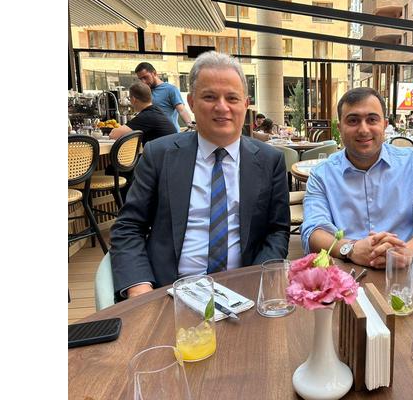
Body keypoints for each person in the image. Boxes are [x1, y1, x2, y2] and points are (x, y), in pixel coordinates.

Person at [111, 52, 290, 300]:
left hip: (242, 293)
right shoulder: (159, 155)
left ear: (246, 104)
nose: (222, 107)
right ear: (192, 102)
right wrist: (140, 288)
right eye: (209, 97)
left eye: (232, 98)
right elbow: (129, 226)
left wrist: (255, 282)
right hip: (167, 292)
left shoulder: (270, 161)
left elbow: (277, 231)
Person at [301, 87, 413, 271]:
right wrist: (351, 249)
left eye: (372, 119)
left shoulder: (412, 163)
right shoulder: (322, 174)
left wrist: (407, 251)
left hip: (405, 269)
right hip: (344, 269)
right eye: (353, 120)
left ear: (385, 124)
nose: (363, 130)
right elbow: (313, 230)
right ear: (339, 128)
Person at [109, 82, 177, 145]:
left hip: (161, 153)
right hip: (171, 152)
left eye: (130, 99)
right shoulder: (156, 111)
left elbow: (113, 135)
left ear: (134, 99)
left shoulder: (146, 116)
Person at [135, 62, 192, 132]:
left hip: (170, 134)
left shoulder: (170, 89)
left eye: (145, 77)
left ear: (154, 73)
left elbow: (182, 110)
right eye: (140, 79)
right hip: (153, 135)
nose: (143, 82)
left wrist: (190, 125)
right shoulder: (145, 92)